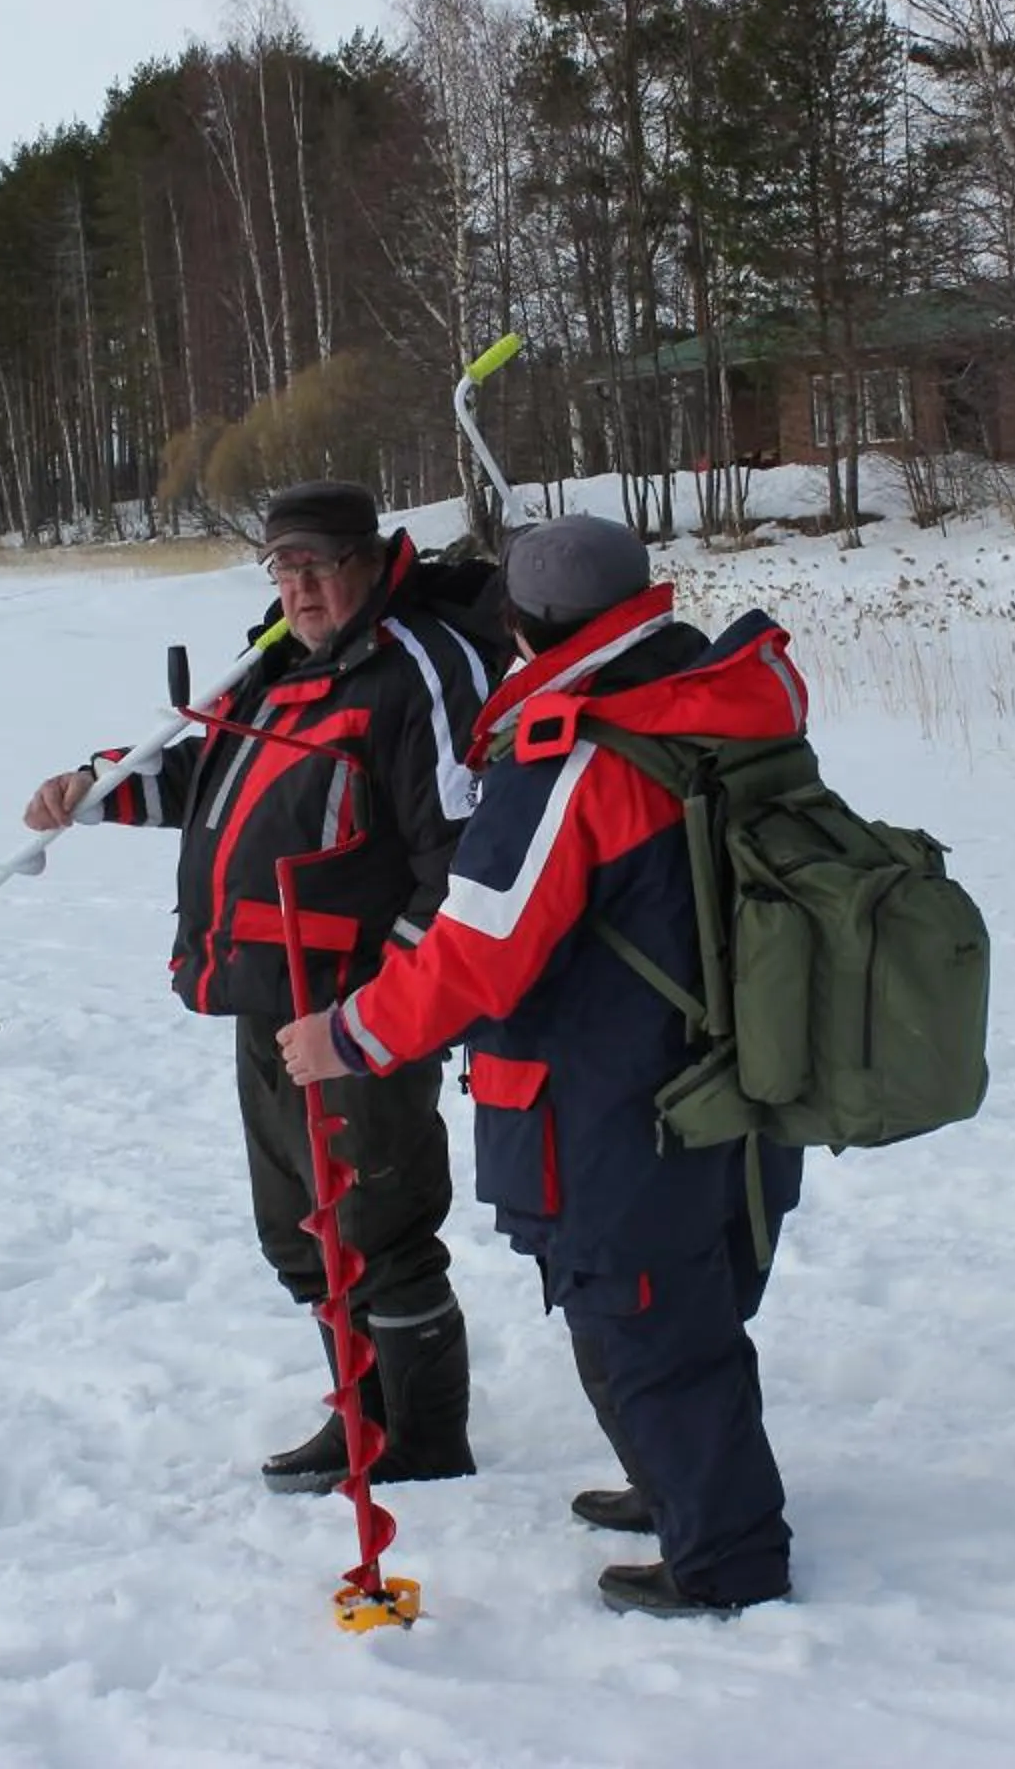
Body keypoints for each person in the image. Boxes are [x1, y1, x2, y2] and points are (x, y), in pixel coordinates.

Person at [276, 514, 807, 1617]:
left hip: (616, 1098)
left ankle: (725, 1556)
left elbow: (476, 952)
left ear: (518, 623)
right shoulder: (710, 697)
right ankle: (678, 1485)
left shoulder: (577, 751)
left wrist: (350, 1034)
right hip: (735, 1069)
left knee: (644, 1314)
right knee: (688, 1305)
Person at [22, 480, 497, 1492]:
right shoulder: (275, 661)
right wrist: (97, 788)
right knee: (299, 1229)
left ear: (370, 559)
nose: (301, 585)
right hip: (266, 991)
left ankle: (423, 1441)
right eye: (284, 566)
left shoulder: (421, 667)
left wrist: (372, 1010)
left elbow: (460, 858)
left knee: (378, 1223)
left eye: (320, 563)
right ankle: (358, 1414)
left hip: (362, 1007)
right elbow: (213, 775)